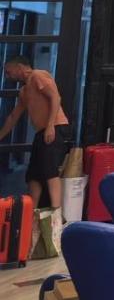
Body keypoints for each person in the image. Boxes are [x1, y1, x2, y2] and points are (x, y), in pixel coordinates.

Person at [0, 55, 70, 215]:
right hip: (41, 131)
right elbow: (13, 116)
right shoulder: (24, 91)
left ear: (19, 67)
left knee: (49, 169)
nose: (8, 76)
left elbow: (55, 97)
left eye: (9, 72)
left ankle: (56, 213)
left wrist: (50, 125)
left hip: (55, 127)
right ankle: (31, 212)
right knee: (33, 174)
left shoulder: (38, 76)